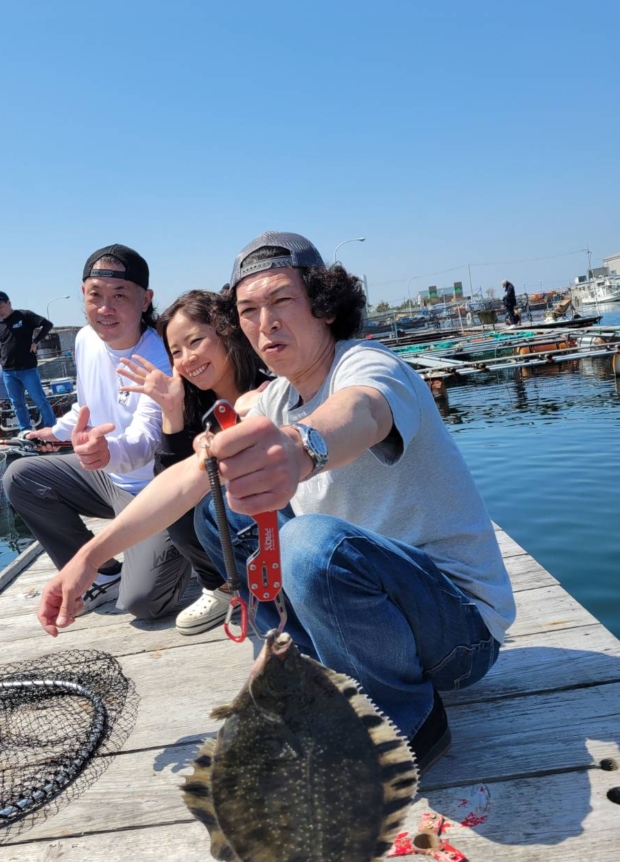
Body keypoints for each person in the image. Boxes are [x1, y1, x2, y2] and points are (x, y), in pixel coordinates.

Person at [37, 232, 515, 774]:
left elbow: (362, 412)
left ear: (325, 305)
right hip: (374, 619)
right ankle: (297, 670)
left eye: (282, 301)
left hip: (458, 637)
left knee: (308, 543)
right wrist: (90, 555)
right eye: (249, 310)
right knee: (219, 508)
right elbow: (184, 481)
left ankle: (406, 721)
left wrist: (300, 447)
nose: (265, 323)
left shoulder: (370, 366)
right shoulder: (275, 398)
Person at [3, 244, 191, 620]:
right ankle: (104, 574)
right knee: (21, 477)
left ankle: (185, 549)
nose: (105, 309)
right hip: (106, 478)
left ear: (145, 300)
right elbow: (86, 408)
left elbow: (147, 440)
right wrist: (54, 432)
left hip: (155, 491)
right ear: (83, 296)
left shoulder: (160, 356)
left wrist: (107, 453)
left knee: (144, 602)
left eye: (119, 295)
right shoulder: (86, 339)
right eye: (95, 296)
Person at [118, 289, 269, 635]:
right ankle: (220, 585)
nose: (187, 358)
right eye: (176, 352)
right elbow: (170, 492)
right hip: (218, 539)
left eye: (196, 341)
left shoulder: (270, 392)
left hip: (271, 529)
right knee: (184, 499)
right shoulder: (191, 406)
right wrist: (171, 412)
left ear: (227, 332)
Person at [0, 292, 56, 431]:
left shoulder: (24, 315)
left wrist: (35, 341)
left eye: (0, 307)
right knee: (17, 403)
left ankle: (51, 428)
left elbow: (47, 325)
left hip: (28, 368)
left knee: (39, 400)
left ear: (9, 303)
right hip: (8, 371)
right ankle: (25, 430)